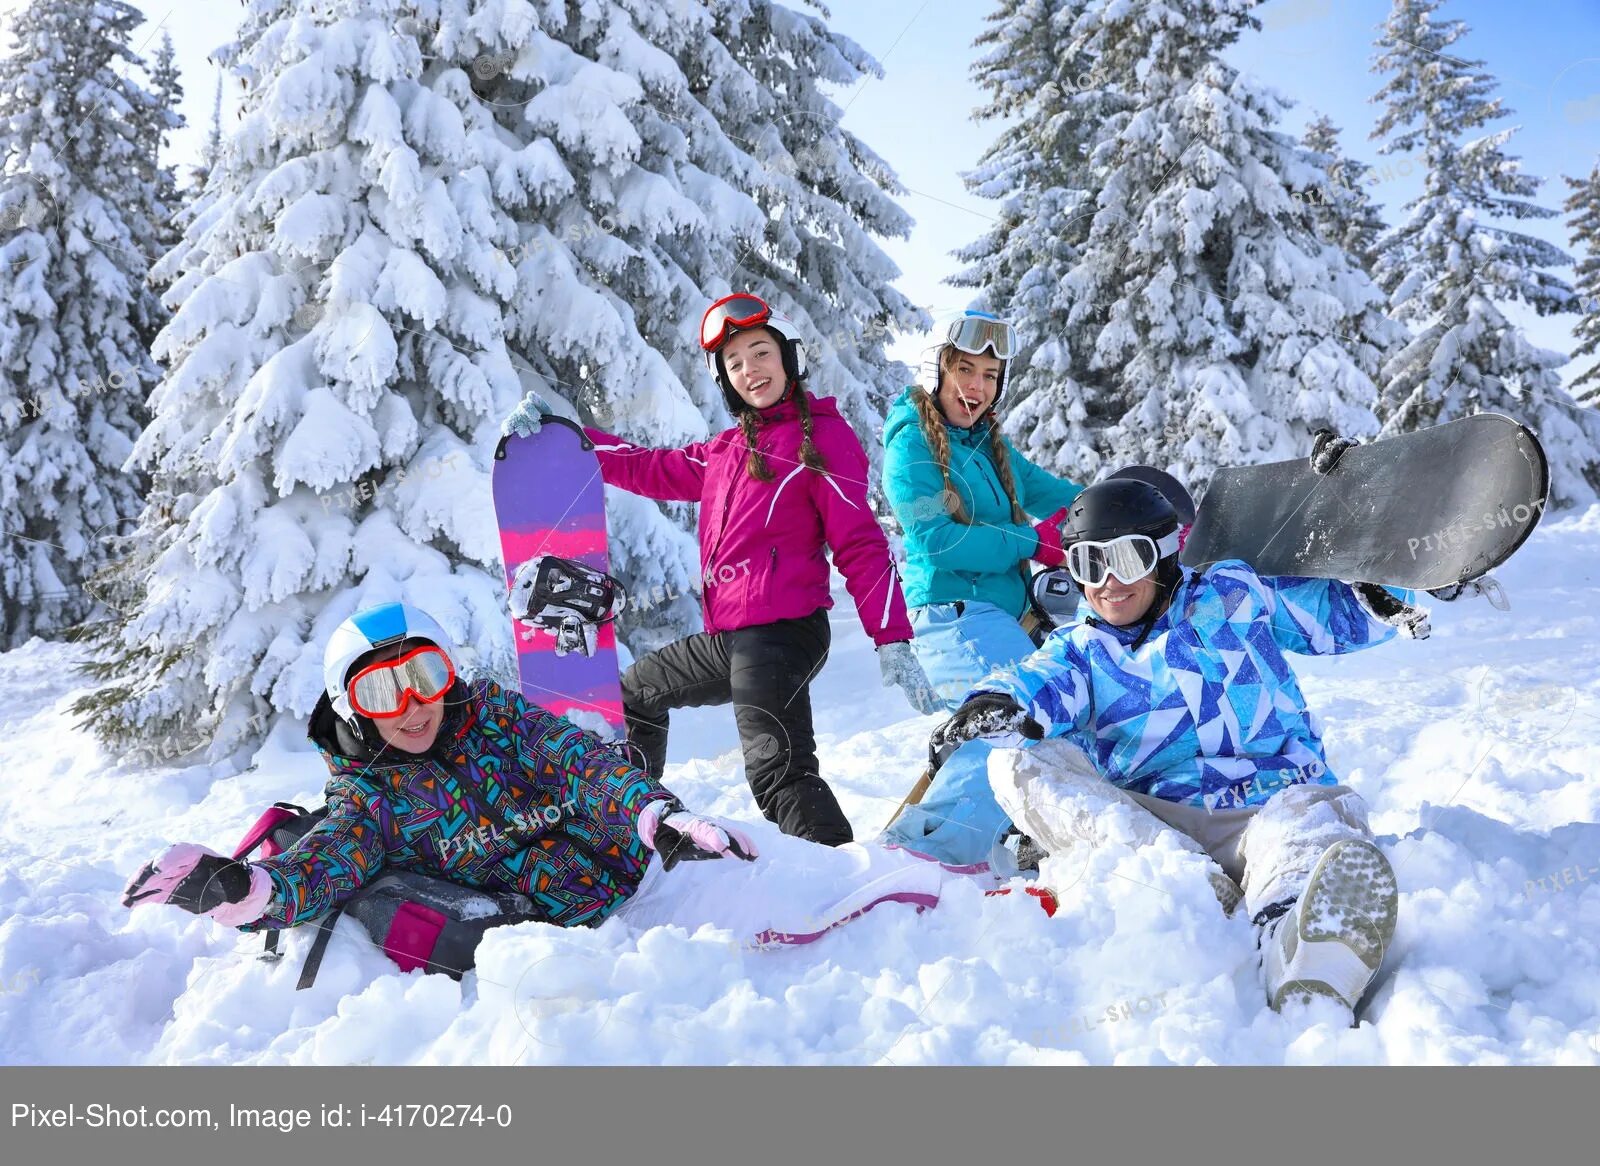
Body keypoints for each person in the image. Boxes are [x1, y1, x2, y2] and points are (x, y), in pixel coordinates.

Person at [933, 462, 1431, 1022]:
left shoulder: (1235, 595)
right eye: (1088, 563)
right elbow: (1034, 683)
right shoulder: (1081, 649)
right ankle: (1198, 890)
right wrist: (992, 703)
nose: (1108, 582)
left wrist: (1390, 587)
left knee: (1310, 820)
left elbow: (1336, 619)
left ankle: (1295, 938)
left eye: (1127, 558)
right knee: (1018, 762)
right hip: (1160, 833)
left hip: (1270, 801)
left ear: (1166, 553)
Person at [504, 294, 938, 847]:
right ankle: (631, 827)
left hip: (783, 634)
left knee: (778, 774)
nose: (750, 370)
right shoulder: (727, 450)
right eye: (735, 363)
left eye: (760, 353)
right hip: (730, 639)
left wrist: (891, 636)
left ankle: (840, 880)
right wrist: (568, 436)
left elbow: (860, 543)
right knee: (636, 696)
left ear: (789, 359)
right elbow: (647, 466)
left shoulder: (822, 439)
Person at [121, 603, 758, 937]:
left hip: (650, 876)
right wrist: (244, 891)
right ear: (354, 710)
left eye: (425, 677)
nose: (412, 706)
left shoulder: (495, 717)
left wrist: (655, 814)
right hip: (568, 945)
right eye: (381, 693)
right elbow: (322, 864)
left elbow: (578, 761)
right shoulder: (369, 799)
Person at [879, 311, 1084, 870]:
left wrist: (1121, 510)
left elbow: (1055, 495)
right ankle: (923, 857)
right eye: (965, 369)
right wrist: (1029, 543)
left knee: (1069, 707)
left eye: (990, 376)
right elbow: (935, 539)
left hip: (1005, 618)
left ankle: (1011, 842)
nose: (977, 386)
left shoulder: (987, 445)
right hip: (950, 617)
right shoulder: (910, 446)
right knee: (1018, 720)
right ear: (936, 370)